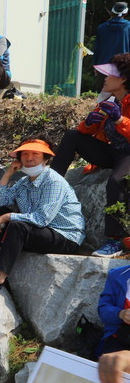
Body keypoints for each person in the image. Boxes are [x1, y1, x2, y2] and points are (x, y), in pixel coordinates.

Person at [0, 137, 85, 294]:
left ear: (46, 159)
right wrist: (9, 172)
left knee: (17, 224)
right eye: (24, 154)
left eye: (35, 154)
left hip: (65, 236)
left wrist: (9, 217)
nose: (29, 158)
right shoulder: (24, 182)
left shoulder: (53, 181)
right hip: (40, 232)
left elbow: (42, 219)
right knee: (0, 211)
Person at [50, 56, 130, 257]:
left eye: (110, 74)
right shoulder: (110, 100)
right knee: (72, 136)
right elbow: (84, 132)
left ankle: (115, 240)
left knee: (116, 182)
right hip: (114, 152)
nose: (104, 77)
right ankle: (49, 185)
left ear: (123, 79)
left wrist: (120, 119)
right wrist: (88, 123)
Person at [93, 2, 130, 90]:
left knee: (103, 98)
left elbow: (97, 48)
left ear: (112, 12)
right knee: (122, 99)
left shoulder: (101, 28)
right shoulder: (128, 27)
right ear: (126, 13)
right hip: (123, 67)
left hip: (103, 67)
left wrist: (95, 65)